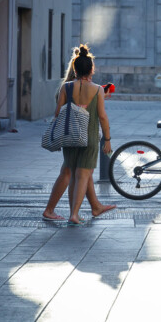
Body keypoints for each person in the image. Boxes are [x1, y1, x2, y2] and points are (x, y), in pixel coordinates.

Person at [43, 45, 115, 224]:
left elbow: (58, 113)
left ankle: (79, 211)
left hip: (70, 136)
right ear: (91, 69)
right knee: (83, 175)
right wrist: (107, 139)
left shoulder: (66, 87)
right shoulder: (98, 89)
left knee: (71, 171)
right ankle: (74, 214)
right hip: (89, 137)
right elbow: (103, 117)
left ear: (74, 69)